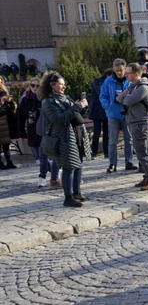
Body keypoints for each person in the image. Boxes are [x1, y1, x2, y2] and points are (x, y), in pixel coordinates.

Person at [39, 72, 91, 207]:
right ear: (51, 85)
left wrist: (82, 107)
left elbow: (75, 115)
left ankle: (77, 193)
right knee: (69, 166)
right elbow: (59, 119)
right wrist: (76, 107)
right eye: (60, 84)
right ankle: (68, 198)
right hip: (63, 137)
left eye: (64, 84)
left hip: (75, 134)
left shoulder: (65, 98)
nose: (64, 87)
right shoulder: (48, 102)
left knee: (78, 164)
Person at [117, 63, 148, 191]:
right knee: (140, 152)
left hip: (142, 123)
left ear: (136, 74)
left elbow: (126, 100)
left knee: (142, 152)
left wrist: (127, 95)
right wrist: (127, 95)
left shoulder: (142, 88)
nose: (125, 74)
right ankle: (146, 176)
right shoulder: (132, 87)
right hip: (134, 122)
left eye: (128, 73)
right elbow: (118, 98)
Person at [100, 58, 136, 173]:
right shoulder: (108, 81)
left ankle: (128, 161)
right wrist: (108, 106)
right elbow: (102, 96)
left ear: (125, 69)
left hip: (127, 113)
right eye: (116, 71)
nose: (119, 73)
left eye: (120, 70)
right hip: (113, 114)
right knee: (112, 140)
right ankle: (112, 163)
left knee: (129, 139)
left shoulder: (129, 81)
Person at [18, 78, 43, 177]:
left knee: (42, 156)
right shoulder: (26, 99)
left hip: (42, 130)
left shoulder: (43, 98)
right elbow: (20, 117)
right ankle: (52, 171)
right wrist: (21, 133)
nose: (35, 88)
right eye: (33, 85)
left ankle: (50, 175)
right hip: (31, 129)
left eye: (37, 86)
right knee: (37, 156)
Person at [88, 69, 112, 159]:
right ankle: (94, 152)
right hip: (97, 111)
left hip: (106, 111)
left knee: (106, 132)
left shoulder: (111, 82)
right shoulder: (97, 81)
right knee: (97, 132)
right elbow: (101, 92)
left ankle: (106, 152)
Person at [0, 90, 18, 169]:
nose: (5, 100)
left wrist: (10, 102)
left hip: (5, 130)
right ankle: (0, 163)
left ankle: (9, 161)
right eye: (3, 99)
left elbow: (12, 111)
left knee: (6, 147)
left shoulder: (6, 105)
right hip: (1, 130)